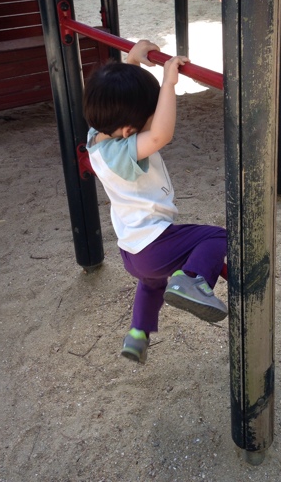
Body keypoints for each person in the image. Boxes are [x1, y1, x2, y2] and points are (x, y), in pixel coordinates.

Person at [83, 39, 227, 365]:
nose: (153, 119)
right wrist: (168, 84)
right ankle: (193, 281)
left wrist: (132, 61)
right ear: (129, 130)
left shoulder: (95, 138)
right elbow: (162, 134)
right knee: (217, 236)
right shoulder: (125, 152)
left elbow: (117, 101)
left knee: (151, 284)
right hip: (155, 242)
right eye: (150, 116)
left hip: (132, 252)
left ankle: (138, 334)